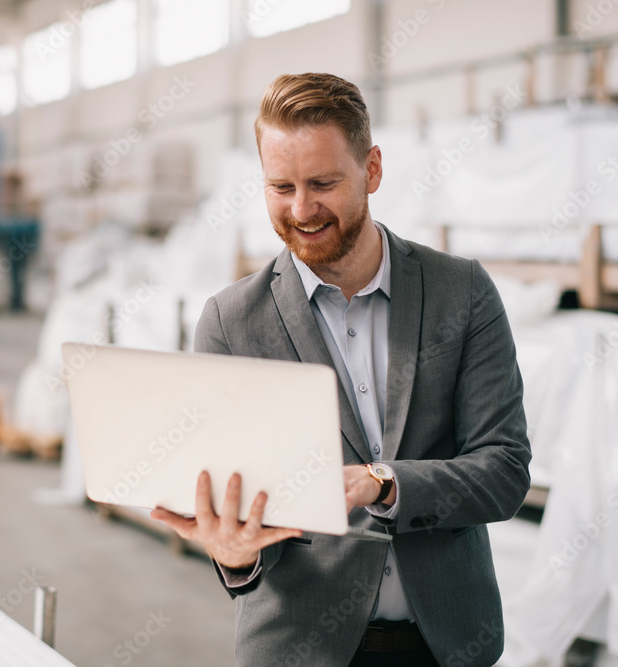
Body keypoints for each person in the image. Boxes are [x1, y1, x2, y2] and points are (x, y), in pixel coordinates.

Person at [151, 72, 532, 667]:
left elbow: (504, 469)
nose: (301, 210)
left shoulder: (462, 293)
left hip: (446, 645)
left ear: (372, 170)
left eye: (323, 183)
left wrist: (383, 483)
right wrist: (234, 552)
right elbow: (239, 506)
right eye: (281, 186)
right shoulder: (232, 322)